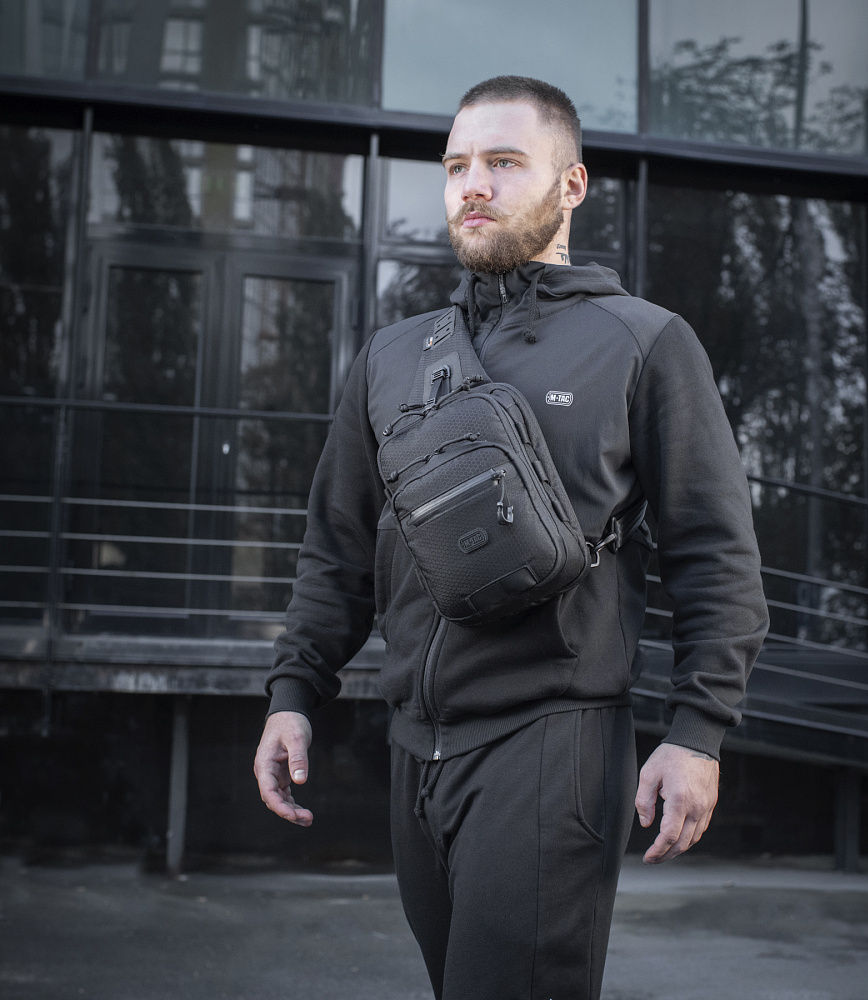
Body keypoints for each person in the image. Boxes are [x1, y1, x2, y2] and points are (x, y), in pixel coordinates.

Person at [254, 75, 768, 1000]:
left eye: (502, 162)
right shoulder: (393, 356)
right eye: (456, 166)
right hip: (415, 748)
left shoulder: (643, 343)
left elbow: (715, 553)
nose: (473, 186)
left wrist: (698, 733)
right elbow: (336, 545)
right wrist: (293, 692)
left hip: (551, 744)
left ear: (572, 185)